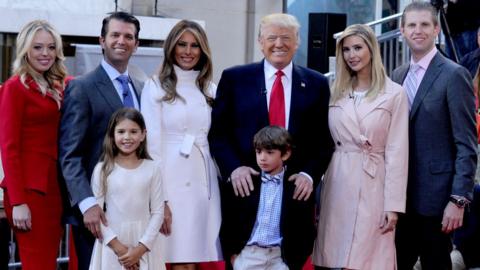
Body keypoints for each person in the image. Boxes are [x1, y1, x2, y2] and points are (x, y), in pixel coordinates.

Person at [208, 13, 333, 269]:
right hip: (245, 205)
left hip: (292, 211)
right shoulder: (234, 79)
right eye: (272, 37)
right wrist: (233, 168)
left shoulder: (316, 83)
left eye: (286, 38)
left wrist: (309, 175)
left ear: (297, 42)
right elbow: (218, 134)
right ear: (259, 41)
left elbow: (323, 141)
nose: (279, 44)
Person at [59, 12, 170, 270]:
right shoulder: (82, 87)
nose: (122, 41)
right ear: (102, 40)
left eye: (128, 36)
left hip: (140, 216)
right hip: (98, 214)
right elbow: (69, 154)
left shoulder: (142, 88)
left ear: (136, 44)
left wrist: (161, 204)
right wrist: (87, 205)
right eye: (115, 35)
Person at [312, 24, 409, 270]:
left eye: (358, 47)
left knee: (368, 260)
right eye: (346, 50)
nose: (352, 55)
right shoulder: (336, 92)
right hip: (338, 182)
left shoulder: (394, 94)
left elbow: (398, 153)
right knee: (336, 258)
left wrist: (393, 205)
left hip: (374, 184)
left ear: (371, 49)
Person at [391, 2, 477, 270]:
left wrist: (458, 199)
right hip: (400, 199)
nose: (418, 31)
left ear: (436, 29)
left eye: (425, 24)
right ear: (402, 30)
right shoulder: (397, 75)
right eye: (412, 25)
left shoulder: (455, 74)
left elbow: (467, 144)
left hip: (437, 202)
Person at [141, 20, 222, 270]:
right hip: (172, 181)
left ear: (203, 50)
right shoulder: (155, 86)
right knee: (177, 257)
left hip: (203, 181)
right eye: (182, 44)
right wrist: (160, 199)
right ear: (171, 48)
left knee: (196, 256)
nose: (188, 51)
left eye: (195, 45)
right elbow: (151, 145)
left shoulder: (210, 88)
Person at [0, 20, 68, 269]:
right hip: (29, 192)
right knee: (38, 262)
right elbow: (9, 148)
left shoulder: (56, 85)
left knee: (47, 260)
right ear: (25, 49)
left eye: (51, 47)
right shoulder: (14, 88)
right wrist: (18, 202)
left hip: (54, 188)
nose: (45, 54)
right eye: (38, 47)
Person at [88, 108, 165, 270]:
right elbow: (97, 213)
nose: (127, 137)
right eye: (121, 131)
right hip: (112, 246)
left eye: (133, 132)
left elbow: (158, 212)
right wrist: (120, 249)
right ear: (112, 135)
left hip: (145, 245)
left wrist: (141, 249)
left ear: (143, 134)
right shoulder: (102, 169)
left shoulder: (153, 168)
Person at [225, 125, 292, 270]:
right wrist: (234, 257)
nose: (262, 157)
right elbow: (229, 221)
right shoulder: (247, 182)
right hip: (248, 256)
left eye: (269, 152)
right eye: (258, 151)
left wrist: (292, 262)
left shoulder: (292, 186)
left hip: (278, 258)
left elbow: (303, 227)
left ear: (285, 154)